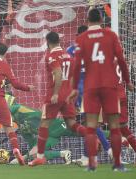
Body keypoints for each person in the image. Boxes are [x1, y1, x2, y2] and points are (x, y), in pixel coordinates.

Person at [67, 8, 133, 171]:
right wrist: (127, 81)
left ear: (88, 21)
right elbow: (122, 61)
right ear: (102, 20)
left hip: (90, 86)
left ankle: (91, 163)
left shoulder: (81, 38)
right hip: (110, 86)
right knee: (115, 126)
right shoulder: (111, 35)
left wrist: (74, 88)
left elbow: (76, 66)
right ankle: (117, 163)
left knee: (91, 125)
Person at [28, 31, 87, 166]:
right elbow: (72, 77)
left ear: (48, 42)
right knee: (72, 124)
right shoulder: (68, 55)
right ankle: (92, 136)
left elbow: (58, 73)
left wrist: (55, 93)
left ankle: (40, 157)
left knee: (44, 124)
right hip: (67, 95)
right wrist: (71, 93)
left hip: (55, 95)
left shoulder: (51, 55)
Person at [67, 25, 113, 165]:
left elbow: (70, 72)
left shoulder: (70, 50)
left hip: (82, 89)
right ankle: (87, 157)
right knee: (90, 123)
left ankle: (109, 149)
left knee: (89, 123)